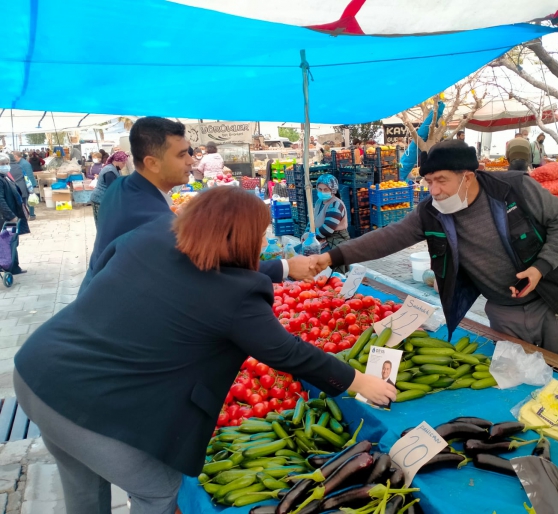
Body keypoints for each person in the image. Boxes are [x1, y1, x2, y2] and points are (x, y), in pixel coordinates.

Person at [13, 186, 396, 513]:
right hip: (86, 405)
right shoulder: (239, 297)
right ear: (238, 237)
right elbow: (288, 352)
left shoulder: (153, 236)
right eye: (261, 234)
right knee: (158, 490)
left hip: (37, 372)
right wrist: (359, 381)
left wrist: (280, 268)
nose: (263, 241)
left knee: (82, 483)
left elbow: (203, 275)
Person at [311, 141, 558, 363]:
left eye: (441, 181)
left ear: (467, 177)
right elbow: (389, 237)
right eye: (429, 182)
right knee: (517, 376)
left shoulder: (513, 188)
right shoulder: (431, 212)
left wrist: (541, 267)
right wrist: (330, 257)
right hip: (504, 311)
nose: (435, 191)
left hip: (552, 300)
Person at [80, 117, 315, 293]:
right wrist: (285, 267)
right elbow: (202, 269)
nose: (191, 161)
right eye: (182, 154)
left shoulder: (121, 188)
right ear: (152, 163)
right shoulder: (153, 219)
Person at [314, 174, 350, 272]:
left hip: (336, 238)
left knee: (317, 260)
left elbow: (327, 229)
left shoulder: (336, 204)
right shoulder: (319, 202)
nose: (322, 192)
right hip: (319, 237)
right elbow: (312, 221)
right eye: (320, 189)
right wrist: (306, 233)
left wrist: (311, 237)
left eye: (326, 190)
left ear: (333, 190)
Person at [0, 155, 29, 274]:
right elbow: (0, 200)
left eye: (7, 163)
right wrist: (11, 215)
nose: (6, 166)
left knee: (12, 241)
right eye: (2, 164)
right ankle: (10, 267)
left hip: (10, 215)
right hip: (6, 218)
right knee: (8, 242)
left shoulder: (5, 177)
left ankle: (14, 266)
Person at [89, 151, 128, 225]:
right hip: (99, 200)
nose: (124, 165)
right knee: (103, 224)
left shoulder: (115, 169)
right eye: (123, 163)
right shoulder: (109, 171)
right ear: (117, 161)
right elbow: (112, 189)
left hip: (104, 199)